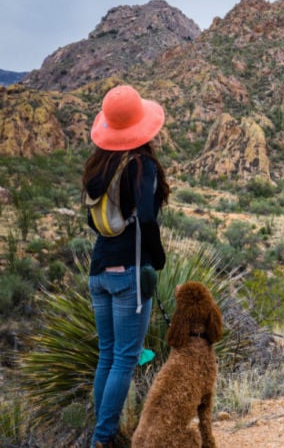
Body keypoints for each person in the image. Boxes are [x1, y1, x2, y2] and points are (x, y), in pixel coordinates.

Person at [82, 84, 170, 447]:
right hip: (128, 273)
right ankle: (102, 439)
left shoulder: (98, 164)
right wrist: (158, 257)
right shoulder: (141, 164)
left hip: (98, 270)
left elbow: (92, 222)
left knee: (108, 355)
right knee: (125, 358)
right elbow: (147, 218)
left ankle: (102, 433)